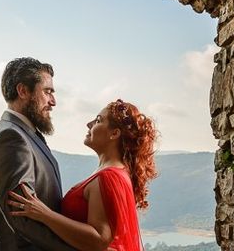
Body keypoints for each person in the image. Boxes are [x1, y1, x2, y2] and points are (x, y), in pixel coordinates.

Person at [8, 99, 158, 251]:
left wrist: (44, 214)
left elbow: (99, 240)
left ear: (114, 133)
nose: (89, 124)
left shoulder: (109, 176)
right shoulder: (114, 172)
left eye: (98, 120)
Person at [0, 57, 77, 250]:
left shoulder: (25, 134)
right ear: (23, 91)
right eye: (47, 91)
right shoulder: (11, 137)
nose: (53, 101)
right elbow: (22, 216)